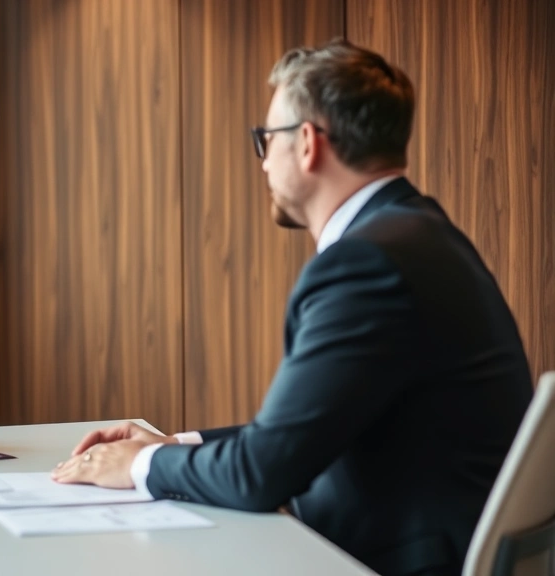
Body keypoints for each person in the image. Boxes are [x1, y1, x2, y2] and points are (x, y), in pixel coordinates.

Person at [52, 39, 534, 576]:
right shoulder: (422, 234)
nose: (262, 164)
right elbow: (306, 434)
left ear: (307, 143)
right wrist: (177, 444)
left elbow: (262, 475)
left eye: (265, 140)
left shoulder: (365, 264)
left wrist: (141, 464)